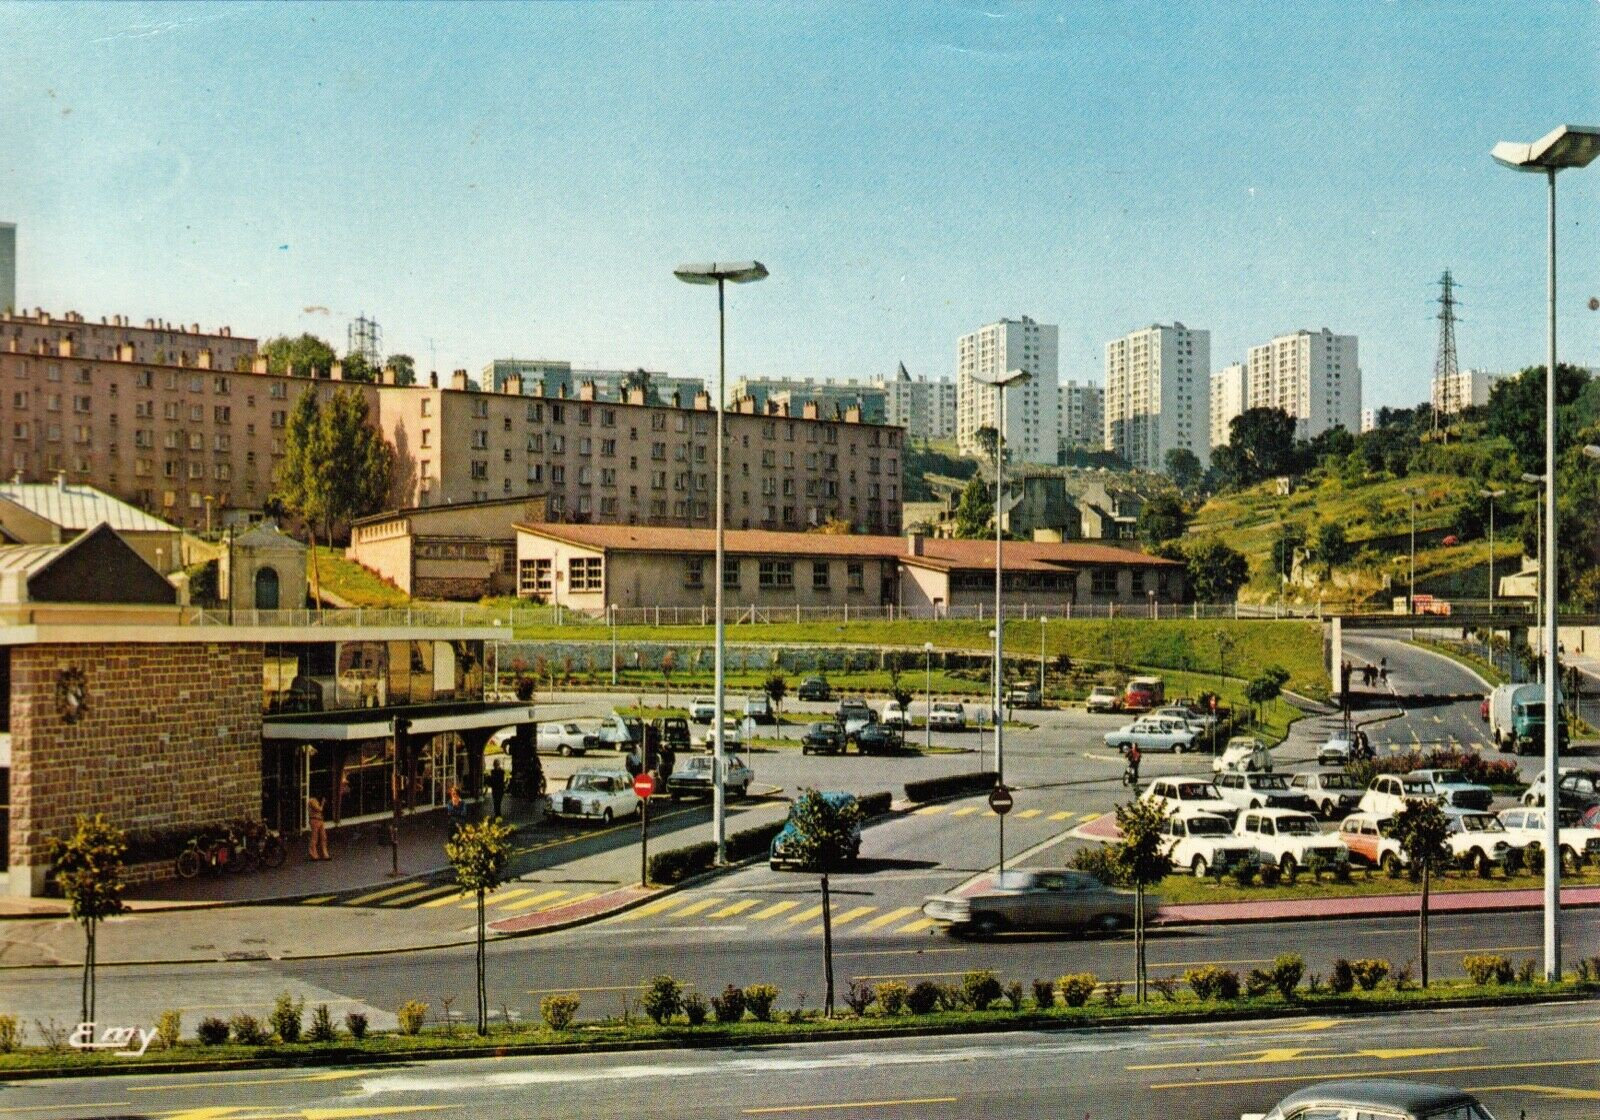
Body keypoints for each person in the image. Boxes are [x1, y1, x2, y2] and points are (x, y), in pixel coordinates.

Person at [307, 794, 330, 861]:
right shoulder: (312, 800)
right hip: (314, 820)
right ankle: (313, 854)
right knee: (315, 837)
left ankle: (324, 853)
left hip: (320, 820)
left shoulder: (316, 800)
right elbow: (319, 809)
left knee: (323, 837)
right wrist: (322, 804)